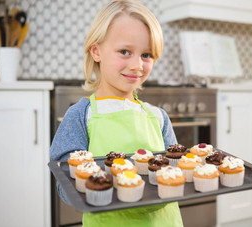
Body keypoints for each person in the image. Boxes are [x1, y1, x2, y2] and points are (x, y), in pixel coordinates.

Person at [50, 0, 184, 226]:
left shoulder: (159, 116)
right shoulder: (81, 116)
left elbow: (177, 172)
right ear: (96, 51)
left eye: (146, 55)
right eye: (125, 51)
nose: (136, 65)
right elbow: (65, 184)